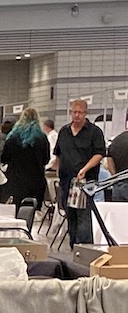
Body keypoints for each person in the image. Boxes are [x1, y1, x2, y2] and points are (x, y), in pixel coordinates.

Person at [51, 96, 107, 243]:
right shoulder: (64, 131)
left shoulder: (94, 132)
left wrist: (85, 168)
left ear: (85, 113)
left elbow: (99, 154)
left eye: (80, 112)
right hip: (66, 181)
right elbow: (58, 154)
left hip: (86, 181)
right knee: (70, 214)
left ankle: (83, 246)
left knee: (84, 215)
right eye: (74, 112)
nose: (77, 115)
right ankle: (72, 244)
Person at [0, 107, 50, 213]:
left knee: (15, 212)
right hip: (36, 181)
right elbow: (46, 159)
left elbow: (4, 158)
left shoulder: (12, 138)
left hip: (15, 181)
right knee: (31, 212)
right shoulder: (42, 138)